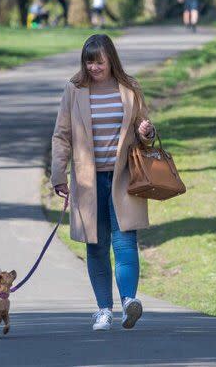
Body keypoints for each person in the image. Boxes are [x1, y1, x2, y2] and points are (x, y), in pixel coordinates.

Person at [50, 34, 156, 331]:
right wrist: (59, 175)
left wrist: (146, 131)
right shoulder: (75, 89)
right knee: (96, 246)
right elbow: (62, 135)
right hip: (87, 180)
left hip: (124, 177)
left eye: (99, 61)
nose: (94, 67)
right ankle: (103, 310)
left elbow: (143, 129)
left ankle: (128, 302)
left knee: (125, 242)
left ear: (111, 59)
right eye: (89, 61)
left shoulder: (130, 87)